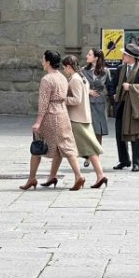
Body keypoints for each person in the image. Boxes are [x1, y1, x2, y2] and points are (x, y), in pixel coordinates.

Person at [20, 50, 85, 191]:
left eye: (43, 59)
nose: (42, 62)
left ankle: (32, 178)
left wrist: (38, 121)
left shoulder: (47, 79)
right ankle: (77, 175)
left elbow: (43, 103)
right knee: (66, 146)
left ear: (48, 62)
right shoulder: (62, 77)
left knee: (37, 147)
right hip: (63, 114)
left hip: (50, 115)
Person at [61, 55, 108, 189]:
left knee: (76, 150)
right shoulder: (82, 77)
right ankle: (100, 176)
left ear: (69, 67)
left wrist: (62, 99)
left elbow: (76, 100)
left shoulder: (75, 79)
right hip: (84, 117)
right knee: (90, 149)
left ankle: (80, 177)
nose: (64, 70)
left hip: (77, 119)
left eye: (64, 67)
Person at [108, 42, 139, 172]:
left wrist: (131, 87)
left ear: (132, 57)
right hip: (121, 105)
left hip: (134, 107)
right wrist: (114, 97)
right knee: (119, 134)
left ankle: (136, 162)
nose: (122, 55)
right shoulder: (120, 68)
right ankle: (124, 160)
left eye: (125, 54)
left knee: (135, 135)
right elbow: (111, 85)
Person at [82, 48, 109, 146]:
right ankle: (88, 157)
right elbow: (77, 86)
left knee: (98, 131)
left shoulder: (105, 71)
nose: (87, 56)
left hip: (100, 104)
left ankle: (96, 155)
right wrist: (87, 91)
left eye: (89, 54)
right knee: (88, 130)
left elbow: (110, 87)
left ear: (96, 58)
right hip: (87, 103)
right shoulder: (83, 70)